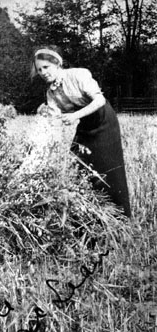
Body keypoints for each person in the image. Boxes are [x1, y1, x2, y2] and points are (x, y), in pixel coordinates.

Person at [32, 46, 131, 218]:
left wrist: (75, 115)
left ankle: (120, 215)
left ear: (57, 64)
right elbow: (57, 118)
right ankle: (92, 212)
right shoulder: (51, 93)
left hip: (103, 120)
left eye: (46, 67)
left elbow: (99, 100)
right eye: (39, 69)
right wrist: (44, 115)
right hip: (85, 124)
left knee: (109, 167)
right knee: (78, 163)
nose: (43, 72)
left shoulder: (78, 75)